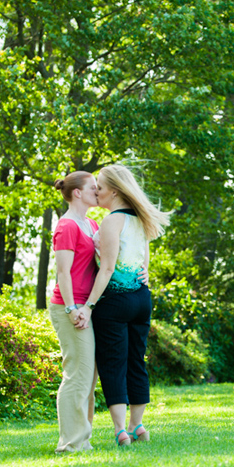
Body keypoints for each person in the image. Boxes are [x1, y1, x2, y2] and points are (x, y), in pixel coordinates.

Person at [77, 164, 172, 447]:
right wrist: (143, 275)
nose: (97, 192)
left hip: (115, 302)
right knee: (136, 361)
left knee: (113, 363)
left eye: (101, 188)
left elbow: (106, 269)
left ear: (114, 191)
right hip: (142, 299)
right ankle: (137, 425)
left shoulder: (112, 221)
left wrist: (89, 305)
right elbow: (143, 261)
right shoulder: (140, 220)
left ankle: (120, 429)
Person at [48, 171, 101, 453]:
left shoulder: (91, 223)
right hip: (68, 307)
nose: (98, 190)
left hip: (86, 308)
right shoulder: (67, 225)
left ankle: (83, 438)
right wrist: (72, 309)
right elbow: (63, 272)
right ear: (77, 192)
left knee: (88, 376)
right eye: (93, 187)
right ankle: (69, 444)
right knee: (77, 374)